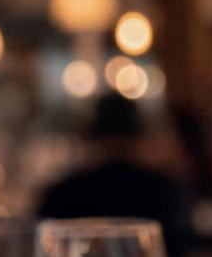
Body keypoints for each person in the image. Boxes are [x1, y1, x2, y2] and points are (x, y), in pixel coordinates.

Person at [37, 93, 194, 236]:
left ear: (93, 137)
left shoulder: (64, 191)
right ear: (138, 136)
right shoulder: (165, 189)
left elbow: (45, 235)